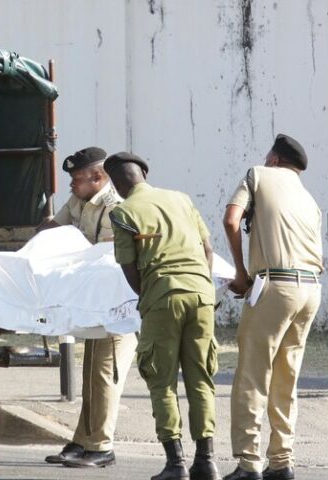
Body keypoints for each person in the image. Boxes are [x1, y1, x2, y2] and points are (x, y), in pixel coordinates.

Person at [106, 152, 220, 480]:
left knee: (161, 378)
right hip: (201, 295)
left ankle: (175, 464)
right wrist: (201, 284)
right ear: (143, 173)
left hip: (162, 297)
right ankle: (206, 461)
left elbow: (128, 267)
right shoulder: (181, 199)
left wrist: (152, 295)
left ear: (116, 183)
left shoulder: (124, 212)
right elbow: (208, 249)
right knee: (201, 379)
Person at [222, 134, 322, 480]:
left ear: (276, 160)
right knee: (286, 377)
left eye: (268, 157)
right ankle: (282, 461)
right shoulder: (309, 200)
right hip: (310, 290)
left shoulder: (257, 175)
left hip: (274, 286)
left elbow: (231, 220)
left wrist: (241, 274)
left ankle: (248, 463)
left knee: (252, 374)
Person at [39, 147, 138, 468]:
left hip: (117, 304)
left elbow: (104, 255)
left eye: (77, 179)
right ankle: (82, 441)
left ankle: (102, 446)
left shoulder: (115, 207)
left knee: (107, 375)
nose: (71, 185)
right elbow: (55, 229)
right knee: (91, 375)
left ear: (98, 178)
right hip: (94, 304)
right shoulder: (80, 200)